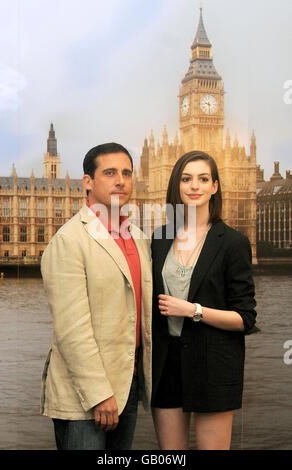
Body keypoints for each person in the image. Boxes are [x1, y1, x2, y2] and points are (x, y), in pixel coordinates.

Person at [40, 142, 152, 450]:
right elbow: (71, 330)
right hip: (86, 397)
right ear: (88, 182)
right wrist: (99, 394)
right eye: (110, 172)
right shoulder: (69, 240)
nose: (120, 180)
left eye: (127, 173)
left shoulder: (139, 238)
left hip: (128, 387)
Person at [151, 150, 257, 450]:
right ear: (177, 185)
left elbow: (245, 318)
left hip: (214, 364)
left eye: (203, 178)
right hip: (166, 363)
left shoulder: (233, 243)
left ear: (215, 186)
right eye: (186, 179)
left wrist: (193, 310)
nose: (194, 185)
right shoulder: (161, 239)